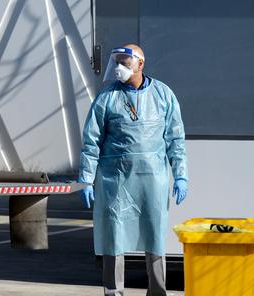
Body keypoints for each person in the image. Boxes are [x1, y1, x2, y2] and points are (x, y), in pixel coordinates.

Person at [79, 44, 188, 296]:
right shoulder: (107, 98)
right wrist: (86, 178)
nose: (119, 67)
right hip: (116, 181)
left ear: (140, 64)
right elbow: (91, 140)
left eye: (125, 62)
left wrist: (180, 174)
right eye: (116, 61)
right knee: (113, 236)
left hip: (153, 180)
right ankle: (112, 291)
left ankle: (158, 291)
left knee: (155, 235)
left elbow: (175, 139)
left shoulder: (163, 95)